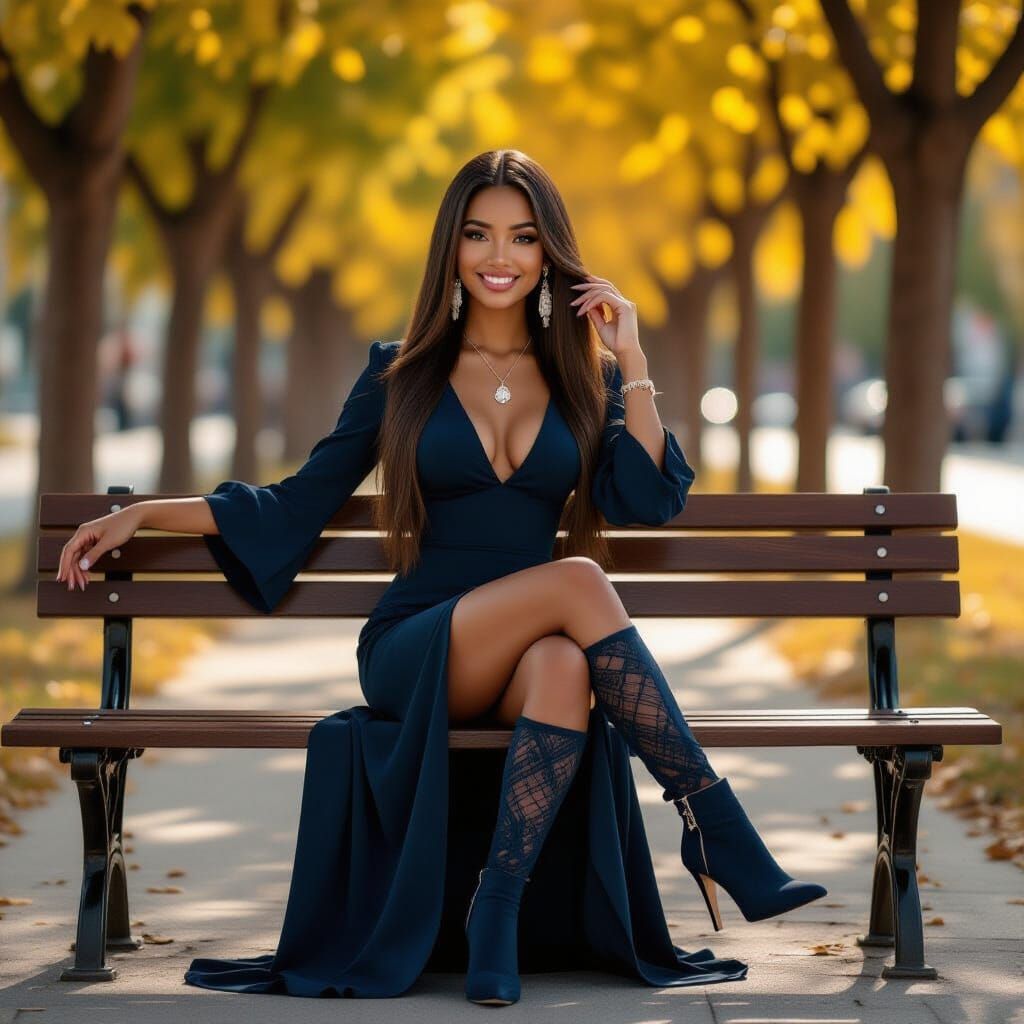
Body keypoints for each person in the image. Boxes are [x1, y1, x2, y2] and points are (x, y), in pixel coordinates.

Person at [56, 149, 826, 1006]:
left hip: (528, 658)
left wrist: (631, 358)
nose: (501, 256)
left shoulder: (585, 374)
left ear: (549, 255)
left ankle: (494, 910)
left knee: (567, 665)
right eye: (479, 234)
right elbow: (296, 501)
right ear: (451, 249)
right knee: (576, 579)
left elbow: (646, 499)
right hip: (418, 648)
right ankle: (714, 822)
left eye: (524, 238)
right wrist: (147, 512)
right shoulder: (401, 372)